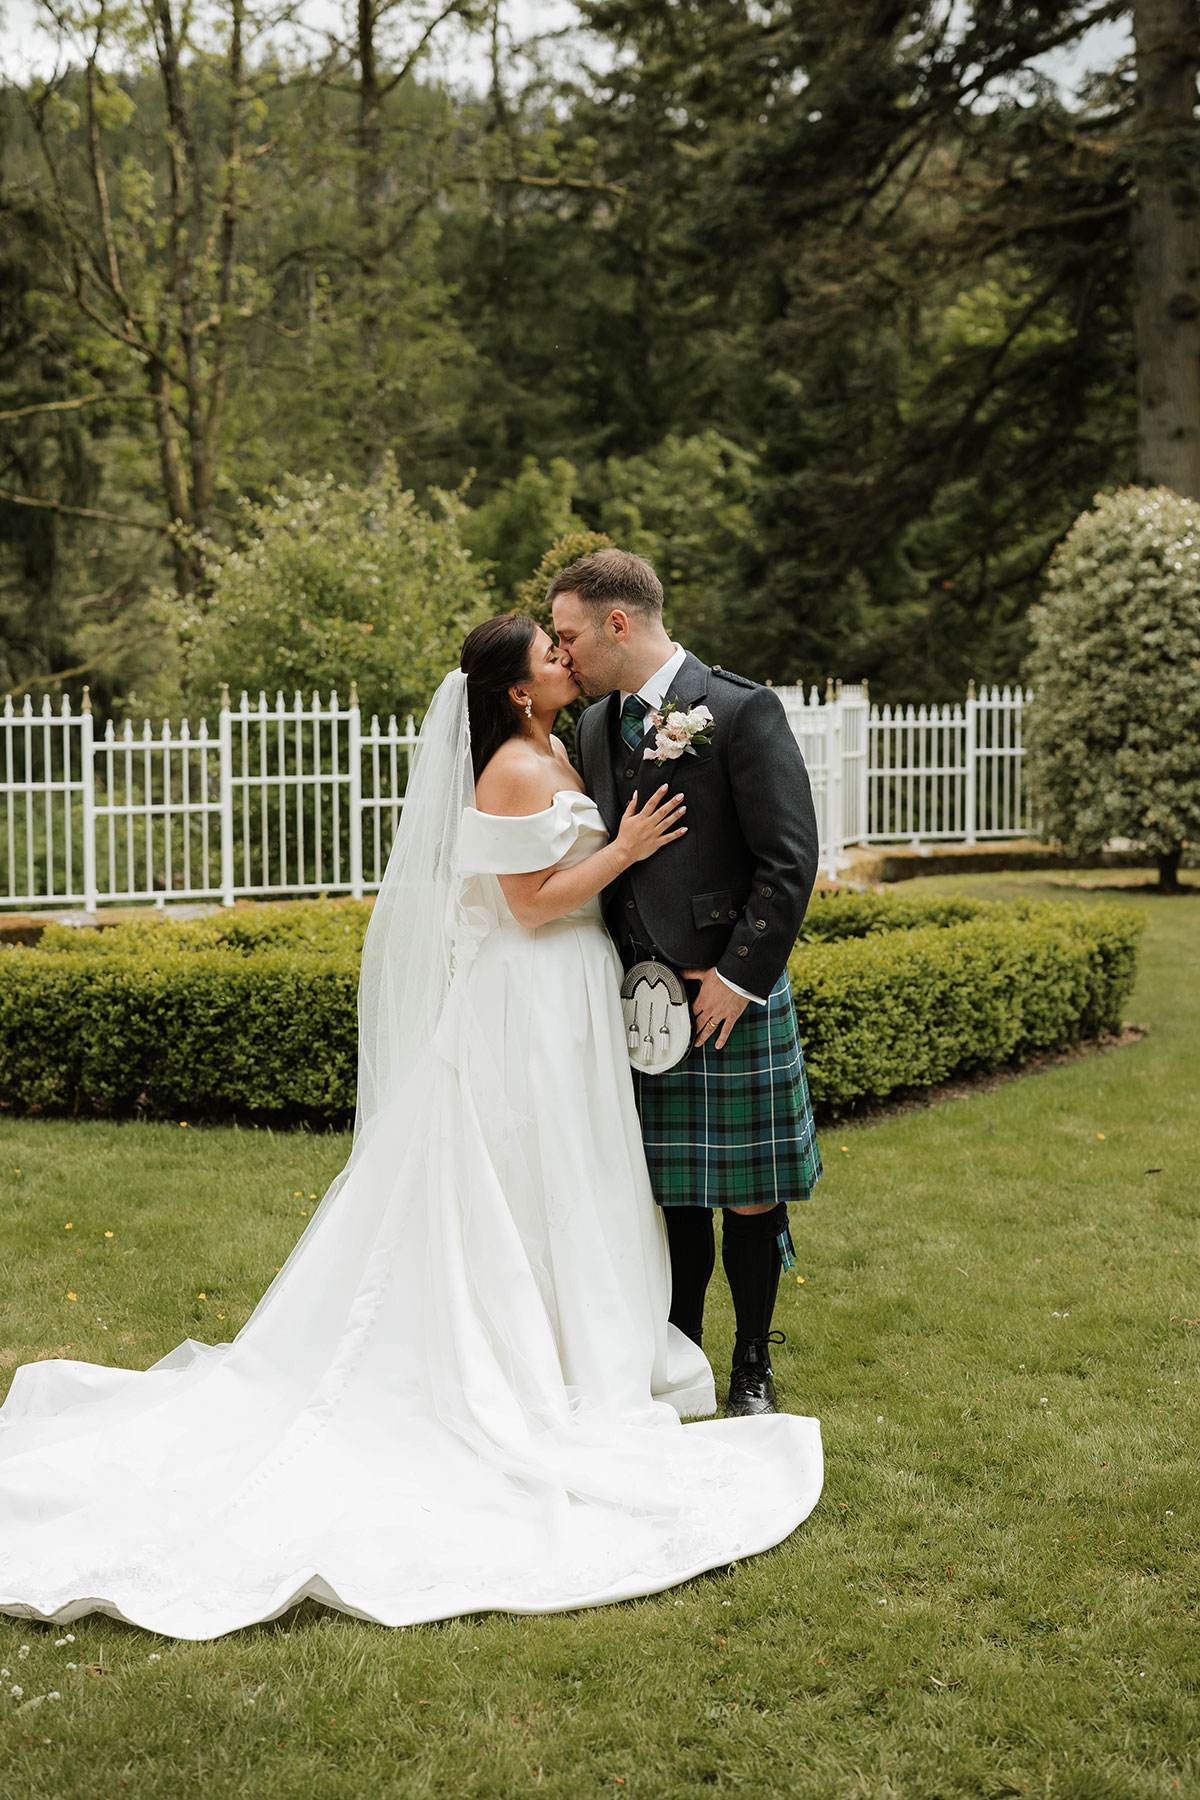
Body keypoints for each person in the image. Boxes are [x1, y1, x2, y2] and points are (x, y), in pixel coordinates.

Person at [0, 612, 822, 1641]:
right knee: (526, 1171)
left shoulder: (568, 741)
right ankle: (529, 1358)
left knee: (578, 1175)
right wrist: (622, 849)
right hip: (526, 997)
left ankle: (587, 1345)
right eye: (548, 653)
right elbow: (527, 905)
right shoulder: (513, 772)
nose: (565, 658)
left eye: (567, 643)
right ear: (518, 691)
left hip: (572, 997)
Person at [553, 549, 823, 1417]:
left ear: (617, 623)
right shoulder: (593, 728)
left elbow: (787, 863)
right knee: (667, 1197)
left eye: (569, 637)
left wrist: (738, 981)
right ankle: (676, 1363)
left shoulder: (741, 711)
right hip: (640, 1003)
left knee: (747, 1192)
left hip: (725, 997)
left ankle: (751, 1366)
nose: (563, 656)